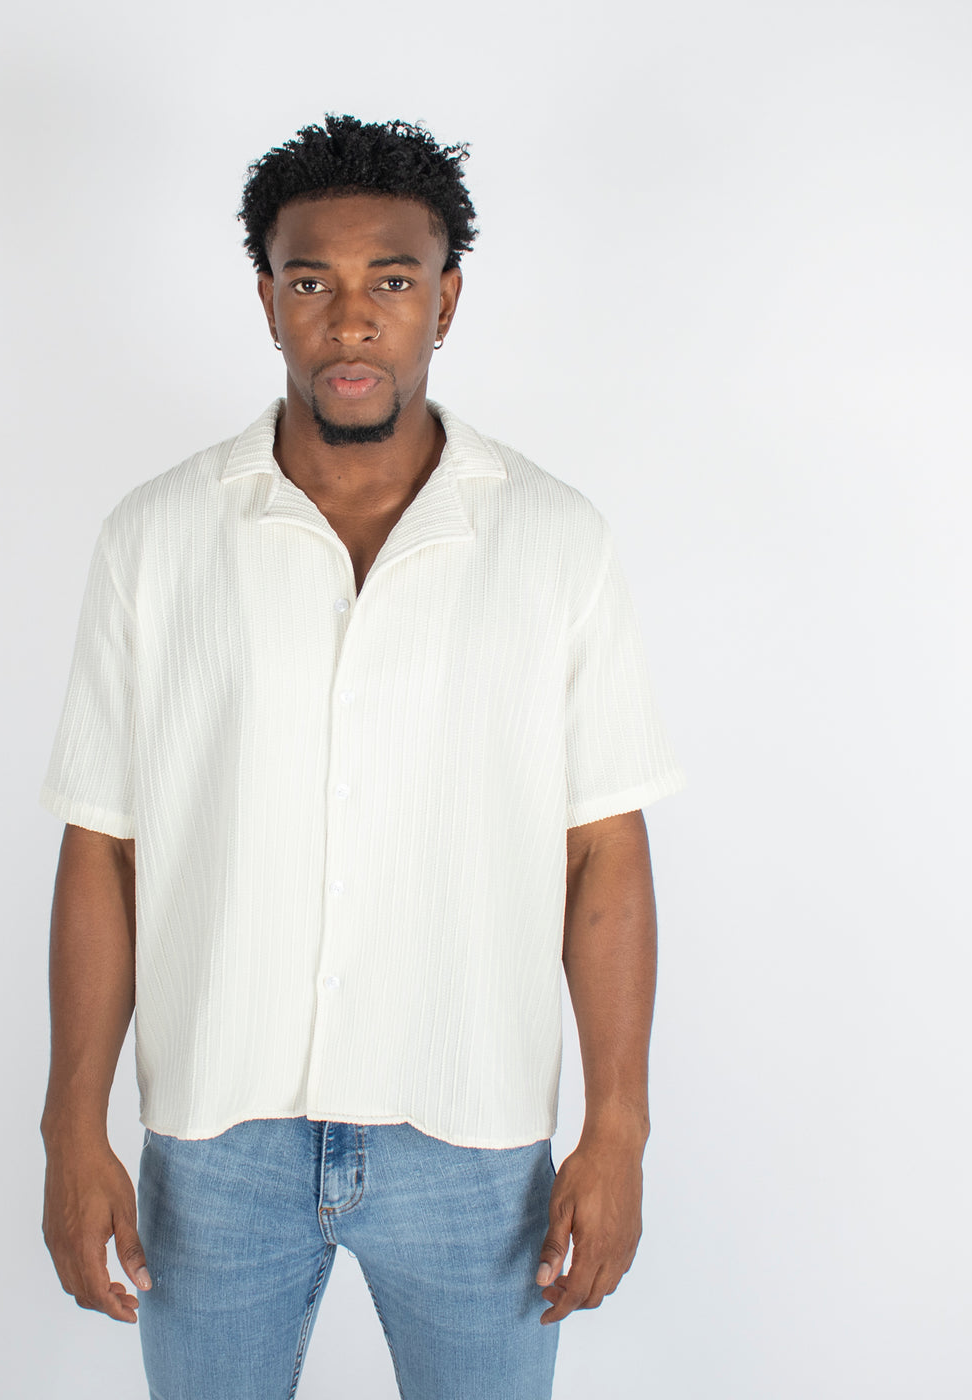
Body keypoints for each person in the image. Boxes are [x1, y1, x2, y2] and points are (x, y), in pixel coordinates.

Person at [37, 113, 687, 1399]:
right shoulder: (155, 538)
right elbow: (102, 844)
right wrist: (70, 1124)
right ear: (265, 300)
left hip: (473, 1139)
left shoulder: (554, 539)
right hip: (216, 1137)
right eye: (309, 281)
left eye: (390, 280)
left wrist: (617, 1124)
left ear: (445, 298)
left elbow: (602, 845)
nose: (349, 320)